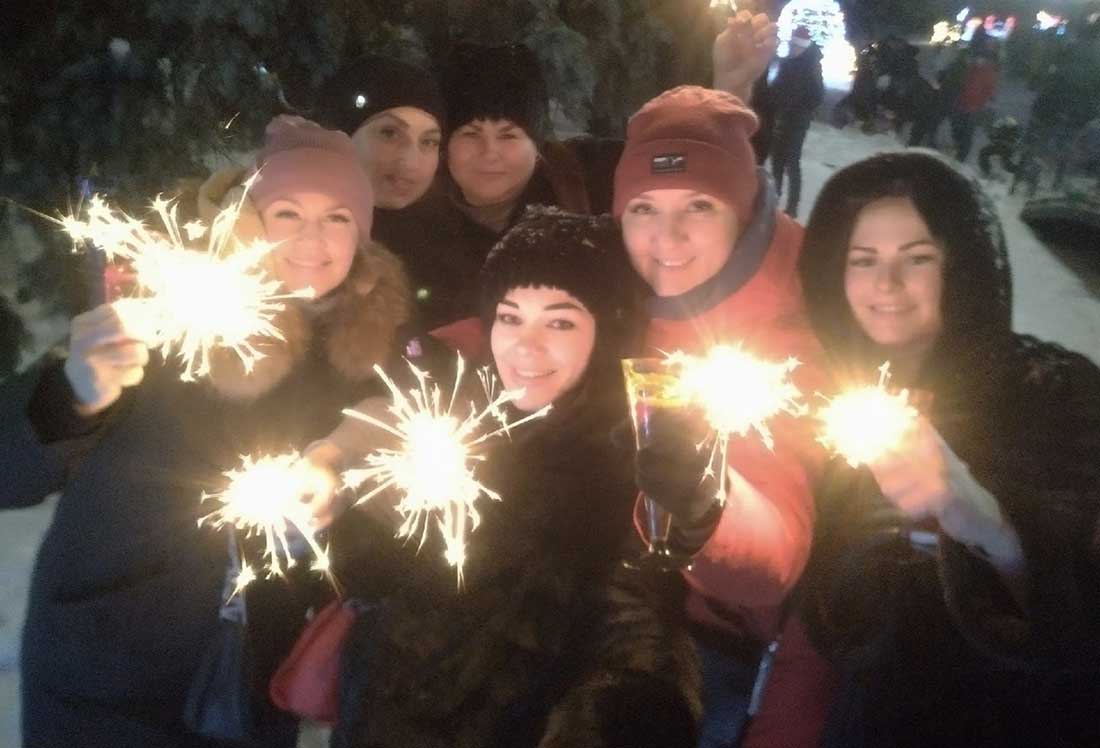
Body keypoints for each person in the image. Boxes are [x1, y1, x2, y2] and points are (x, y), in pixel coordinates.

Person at [2, 115, 412, 747]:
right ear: (250, 224)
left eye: (337, 218)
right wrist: (71, 395)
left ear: (361, 236)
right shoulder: (169, 322)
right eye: (287, 214)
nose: (312, 238)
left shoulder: (370, 357)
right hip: (104, 674)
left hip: (250, 684)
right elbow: (10, 476)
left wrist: (338, 484)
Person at [310, 208, 700, 748]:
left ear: (608, 330)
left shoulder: (637, 461)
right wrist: (357, 504)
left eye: (560, 322)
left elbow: (637, 632)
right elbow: (381, 582)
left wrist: (617, 711)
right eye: (510, 317)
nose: (525, 345)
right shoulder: (458, 419)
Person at [771, 150, 1100, 747]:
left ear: (963, 265)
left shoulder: (1055, 392)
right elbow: (830, 619)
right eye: (863, 259)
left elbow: (1080, 626)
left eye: (917, 257)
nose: (886, 284)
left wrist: (988, 523)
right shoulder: (830, 405)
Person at [611, 84, 827, 747]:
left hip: (709, 644)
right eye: (643, 208)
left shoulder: (793, 327)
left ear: (744, 210)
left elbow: (778, 550)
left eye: (699, 206)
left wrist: (711, 508)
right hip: (611, 605)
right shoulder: (622, 289)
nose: (667, 237)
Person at [768, 26, 824, 217]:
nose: (792, 48)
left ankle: (792, 207)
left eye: (796, 46)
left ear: (803, 46)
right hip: (781, 117)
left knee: (791, 162)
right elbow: (777, 87)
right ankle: (773, 198)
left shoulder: (812, 66)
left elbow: (817, 95)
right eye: (791, 45)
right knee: (776, 159)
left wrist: (800, 109)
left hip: (797, 121)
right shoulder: (788, 63)